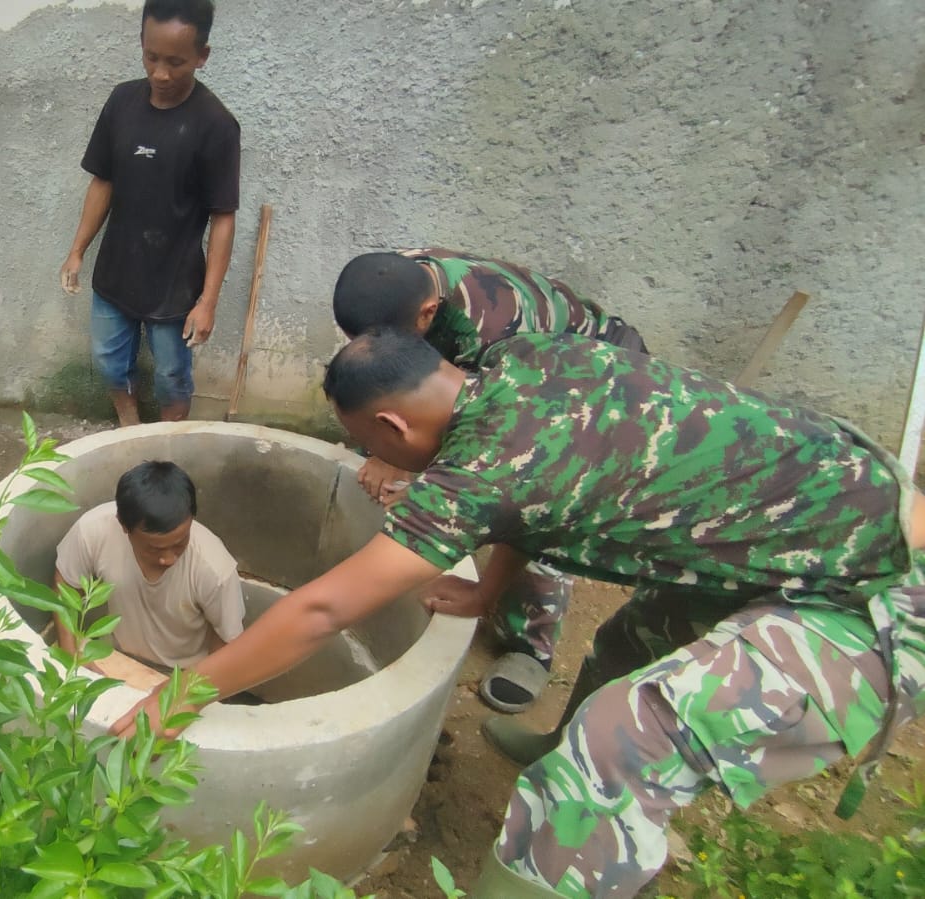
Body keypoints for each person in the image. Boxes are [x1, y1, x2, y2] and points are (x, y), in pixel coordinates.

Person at [112, 329, 925, 898]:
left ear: (392, 423)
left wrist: (178, 695)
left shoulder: (476, 474)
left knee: (622, 739)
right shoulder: (524, 360)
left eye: (371, 444)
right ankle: (554, 746)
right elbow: (533, 503)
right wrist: (485, 590)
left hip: (882, 592)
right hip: (818, 512)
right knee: (632, 636)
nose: (373, 461)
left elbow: (323, 608)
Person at [333, 249, 649, 716]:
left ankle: (529, 644)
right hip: (497, 385)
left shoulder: (493, 330)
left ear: (427, 314)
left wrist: (427, 479)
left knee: (530, 505)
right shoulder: (390, 284)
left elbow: (506, 445)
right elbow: (392, 384)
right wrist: (385, 453)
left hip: (593, 383)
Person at [59, 0, 240, 425]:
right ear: (141, 43)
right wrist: (77, 250)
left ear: (202, 56)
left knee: (173, 377)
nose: (160, 73)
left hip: (176, 286)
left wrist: (208, 301)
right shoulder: (122, 101)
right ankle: (129, 426)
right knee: (109, 362)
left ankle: (170, 444)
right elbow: (102, 181)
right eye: (151, 57)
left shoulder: (216, 125)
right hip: (115, 273)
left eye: (175, 62)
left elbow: (223, 216)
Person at [54, 461, 246, 688]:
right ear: (124, 526)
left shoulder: (214, 568)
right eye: (154, 549)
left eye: (179, 543)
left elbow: (228, 641)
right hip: (115, 657)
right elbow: (66, 583)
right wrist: (71, 655)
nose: (168, 559)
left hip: (183, 674)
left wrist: (190, 690)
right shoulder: (93, 530)